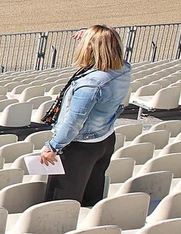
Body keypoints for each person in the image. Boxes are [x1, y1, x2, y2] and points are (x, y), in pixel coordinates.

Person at [39, 25, 133, 206]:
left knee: (60, 203)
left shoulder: (91, 84)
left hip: (80, 148)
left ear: (90, 48)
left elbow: (74, 122)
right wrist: (94, 36)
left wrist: (53, 147)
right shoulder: (124, 69)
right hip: (105, 139)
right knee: (90, 198)